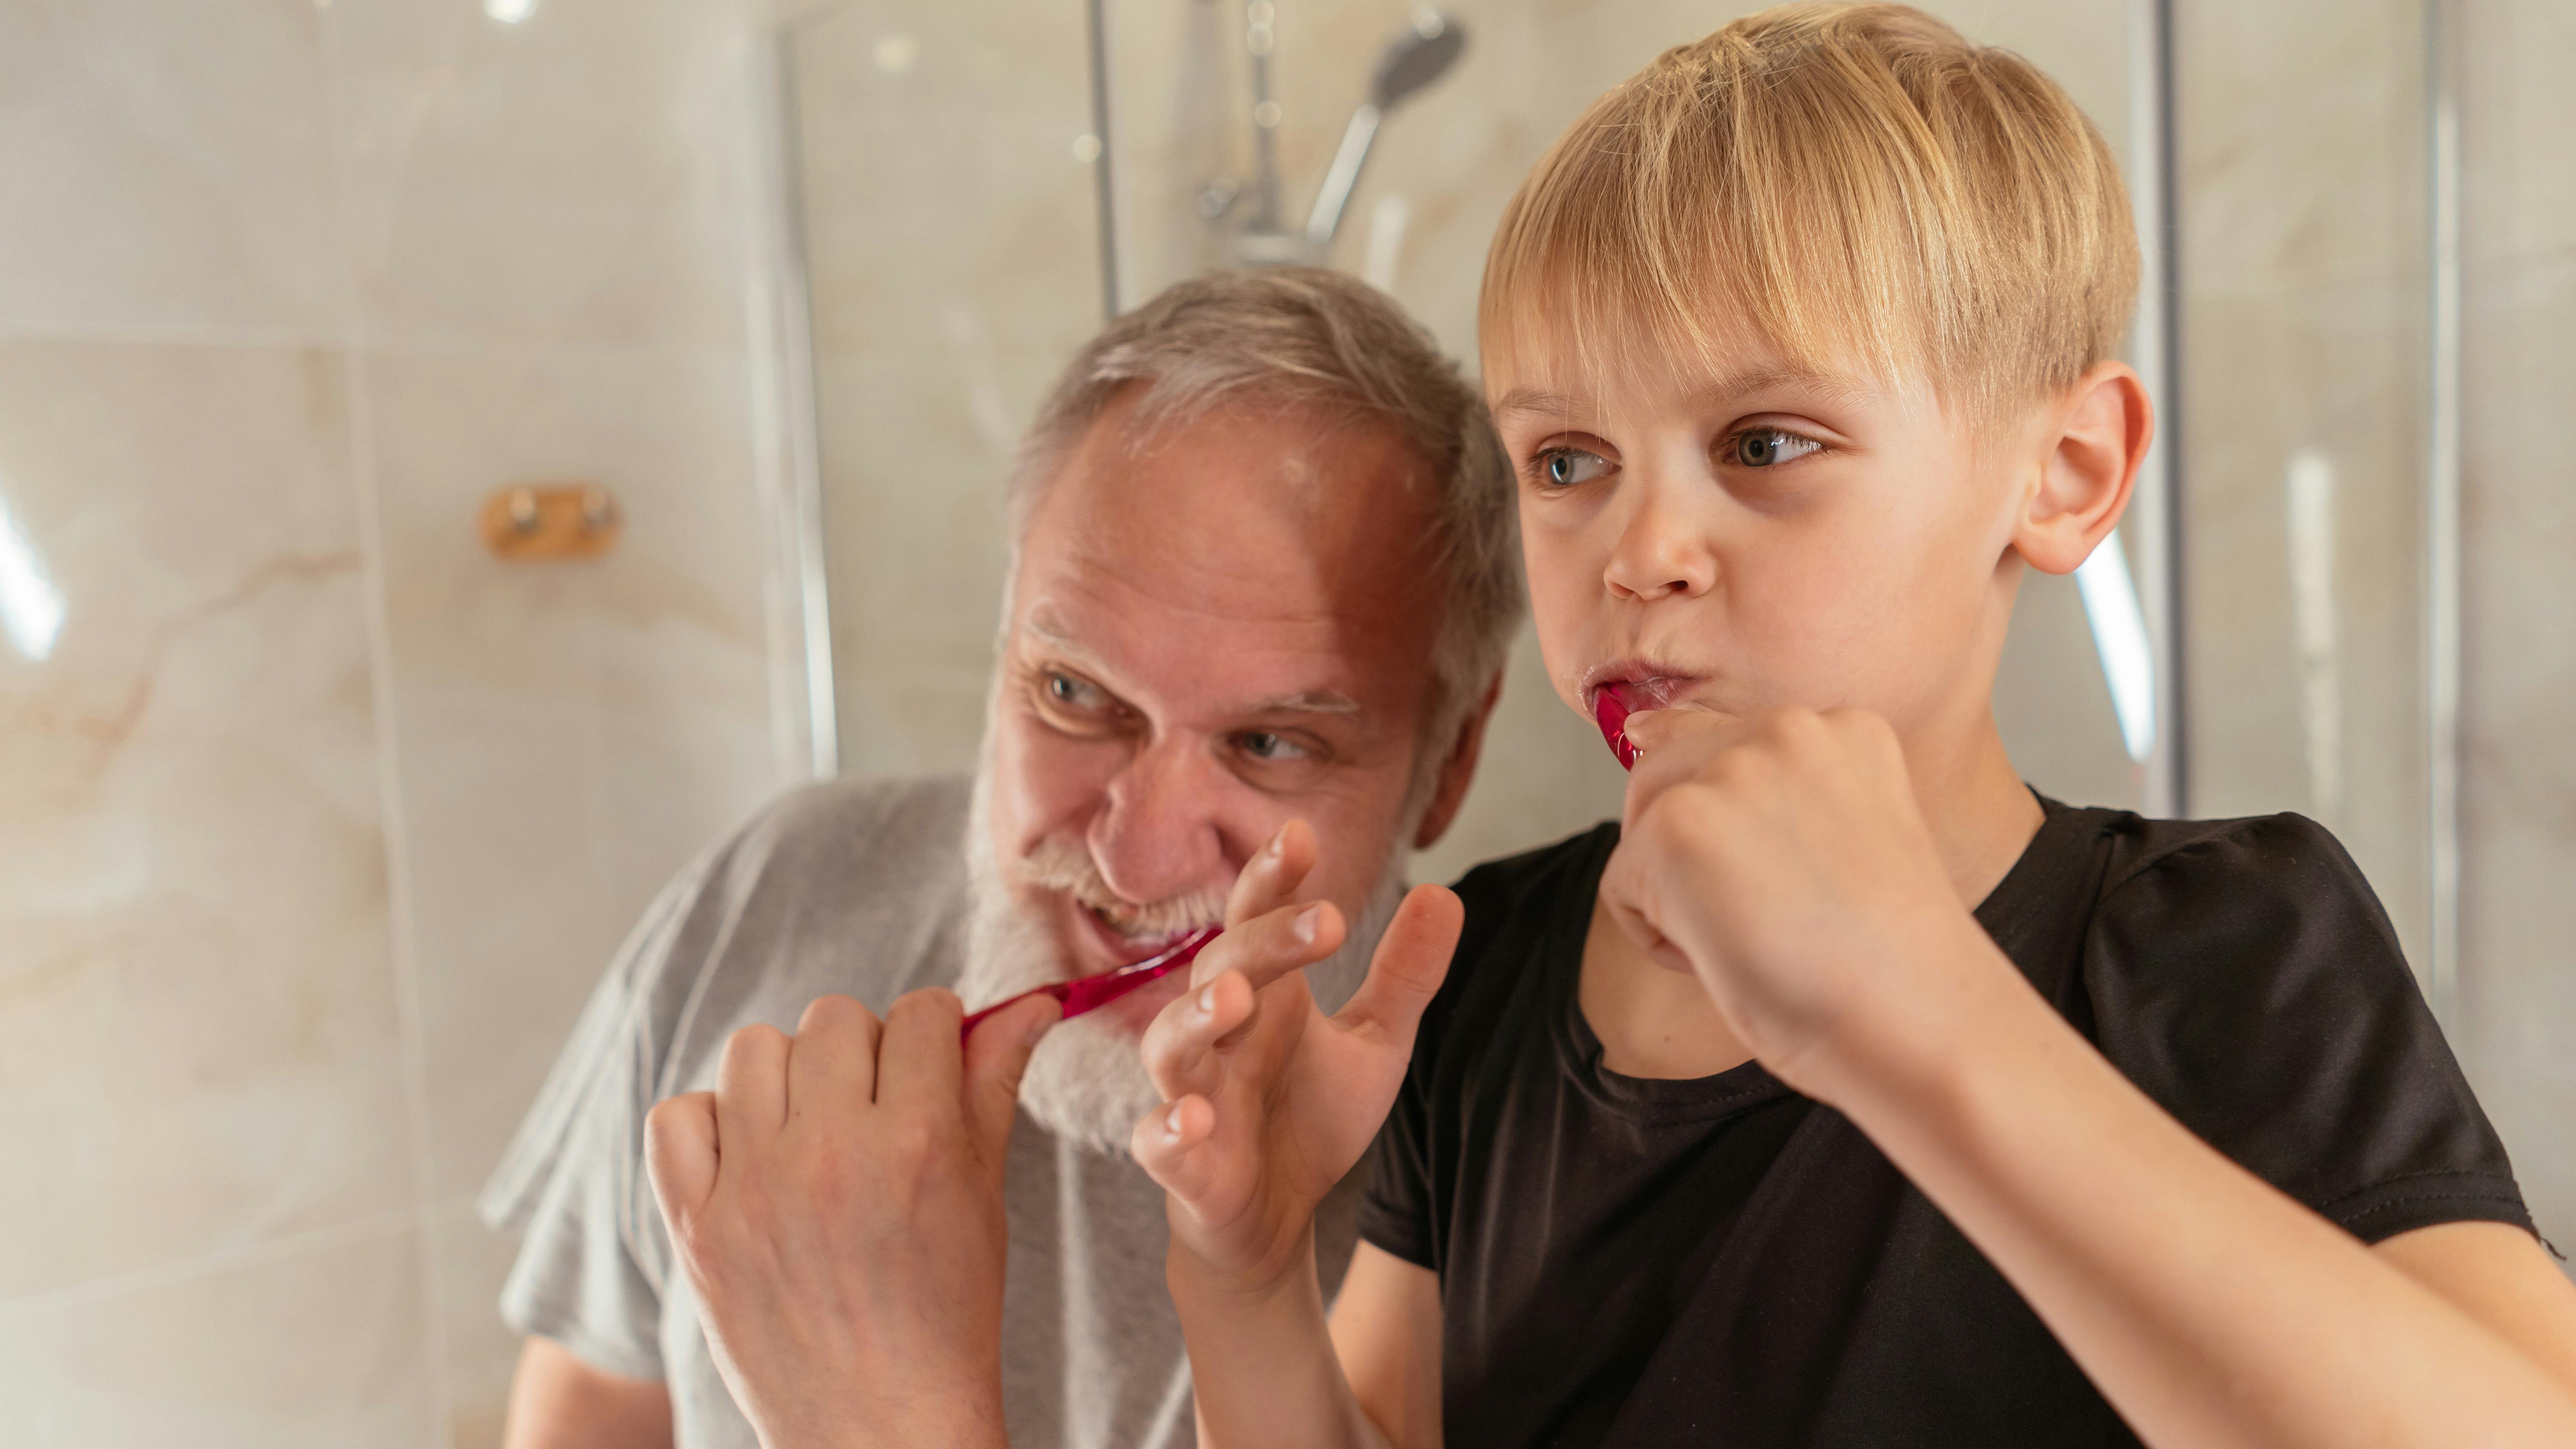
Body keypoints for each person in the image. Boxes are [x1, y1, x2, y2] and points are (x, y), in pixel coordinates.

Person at [1135, 7, 2576, 1447]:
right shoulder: (1484, 972)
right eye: (1567, 461)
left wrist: (1909, 1012)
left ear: (2066, 475)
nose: (1641, 550)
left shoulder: (2213, 953)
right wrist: (1247, 1277)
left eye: (1765, 445)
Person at [477, 266, 1523, 1449]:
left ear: (1450, 760)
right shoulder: (777, 888)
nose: (1134, 859)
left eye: (1273, 743)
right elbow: (590, 1409)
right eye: (1074, 693)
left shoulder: (1516, 1155)